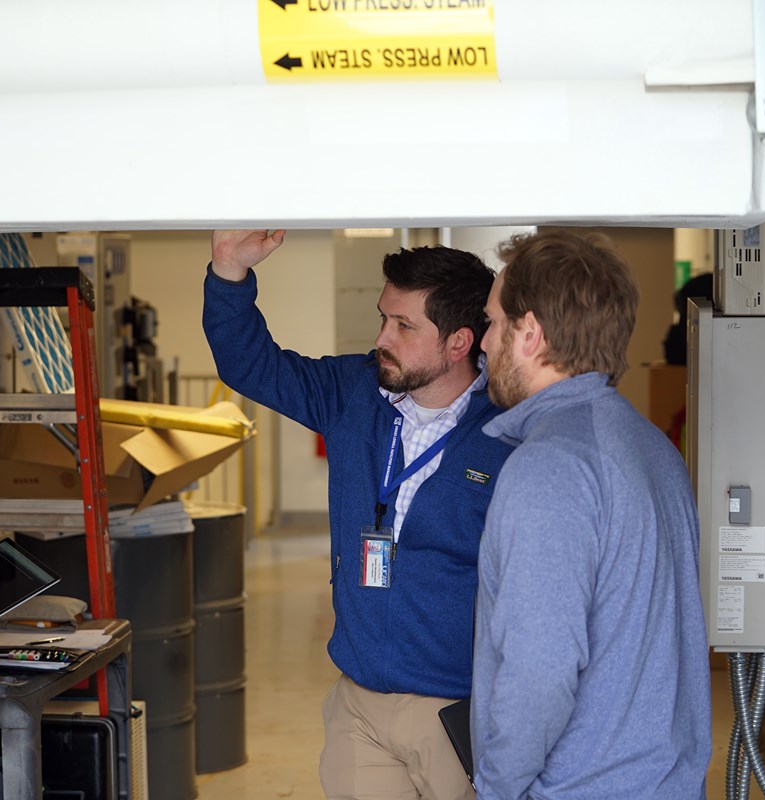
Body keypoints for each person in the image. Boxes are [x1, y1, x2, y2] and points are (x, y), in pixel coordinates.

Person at [205, 230, 513, 800]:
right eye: (383, 319)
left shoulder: (508, 433)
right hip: (358, 704)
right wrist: (229, 271)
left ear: (457, 342)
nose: (381, 339)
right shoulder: (354, 392)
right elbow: (249, 363)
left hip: (459, 711)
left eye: (403, 326)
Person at [469, 231, 711, 799]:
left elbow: (541, 673)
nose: (483, 341)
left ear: (530, 334)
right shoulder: (653, 449)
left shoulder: (548, 468)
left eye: (493, 323)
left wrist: (496, 788)